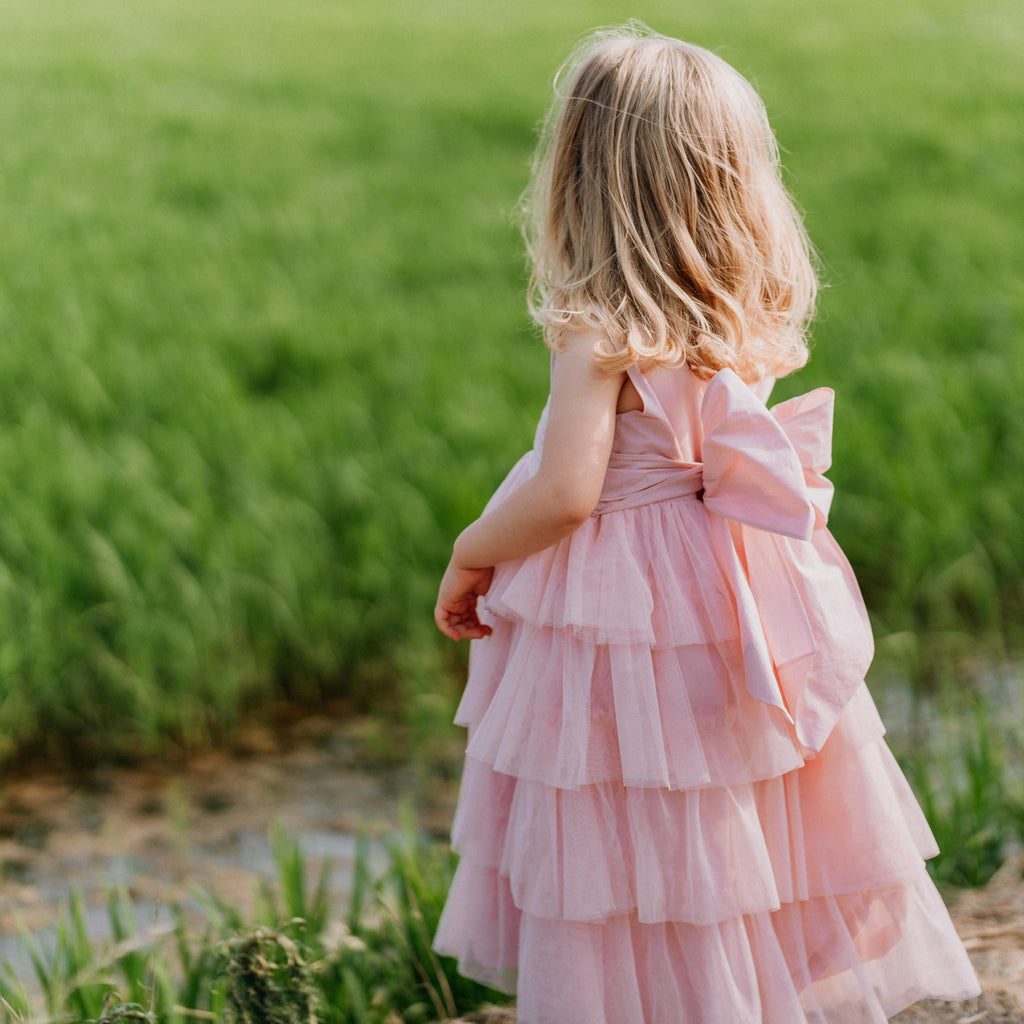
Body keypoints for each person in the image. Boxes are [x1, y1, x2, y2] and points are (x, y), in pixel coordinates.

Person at [432, 24, 980, 1024]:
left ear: (578, 182)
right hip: (736, 579)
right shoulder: (740, 306)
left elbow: (565, 490)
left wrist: (471, 550)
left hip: (625, 596)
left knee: (625, 812)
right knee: (730, 797)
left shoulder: (595, 327)